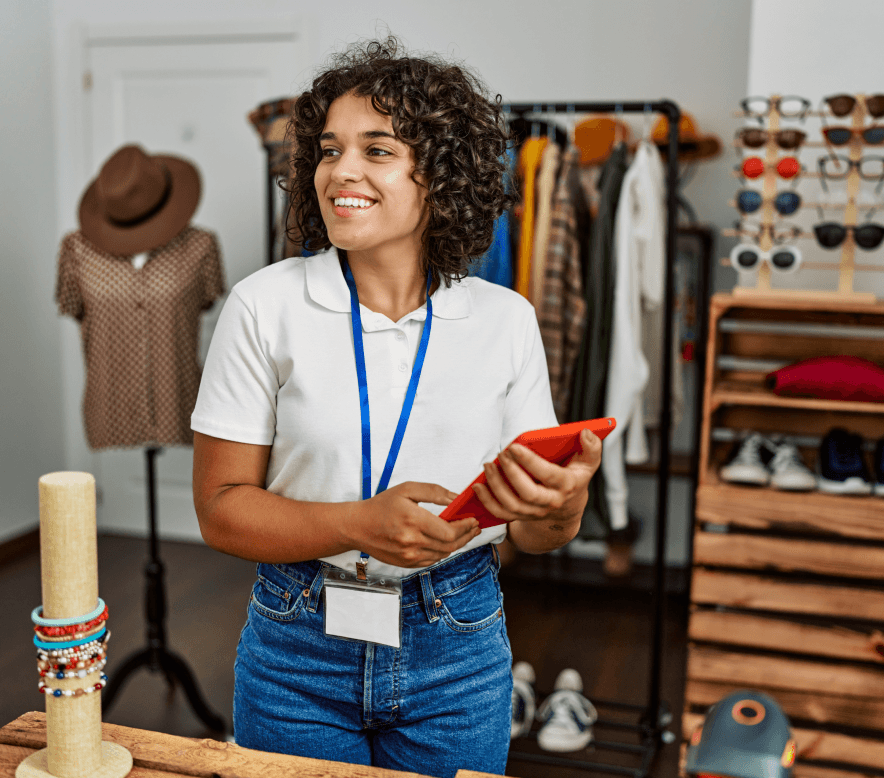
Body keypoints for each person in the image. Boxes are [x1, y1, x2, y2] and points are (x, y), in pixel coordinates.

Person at [190, 37, 602, 777]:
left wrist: (561, 504)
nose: (340, 171)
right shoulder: (263, 306)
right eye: (328, 150)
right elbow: (220, 509)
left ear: (439, 176)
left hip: (458, 641)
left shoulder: (504, 319)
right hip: (296, 648)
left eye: (376, 150)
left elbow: (539, 536)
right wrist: (358, 523)